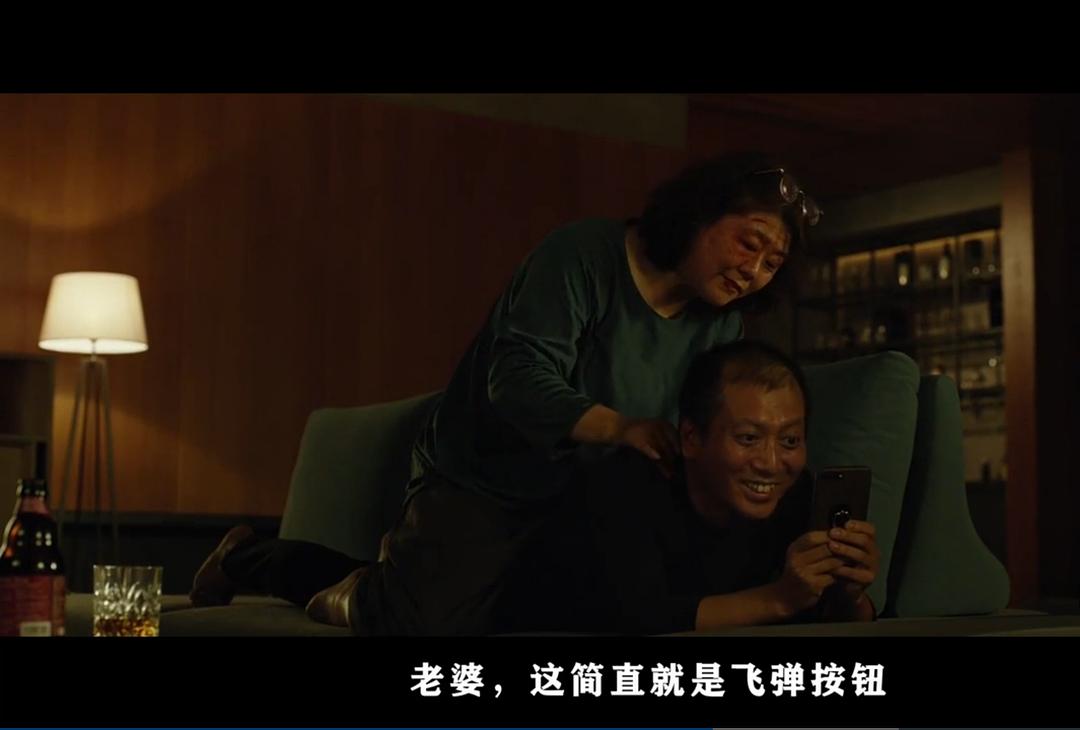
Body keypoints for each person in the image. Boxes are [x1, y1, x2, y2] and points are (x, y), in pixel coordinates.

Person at [190, 152, 824, 635]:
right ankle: (251, 558)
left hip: (595, 496)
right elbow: (516, 380)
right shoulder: (583, 255)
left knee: (544, 611)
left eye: (772, 263)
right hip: (487, 480)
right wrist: (622, 427)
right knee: (418, 623)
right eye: (749, 242)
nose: (754, 270)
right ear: (699, 214)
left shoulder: (721, 324)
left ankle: (399, 576)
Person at [495, 340, 879, 635]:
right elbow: (640, 619)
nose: (772, 462)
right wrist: (779, 599)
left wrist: (850, 594)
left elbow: (821, 618)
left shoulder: (792, 492)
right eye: (748, 438)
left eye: (790, 440)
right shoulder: (627, 486)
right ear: (691, 438)